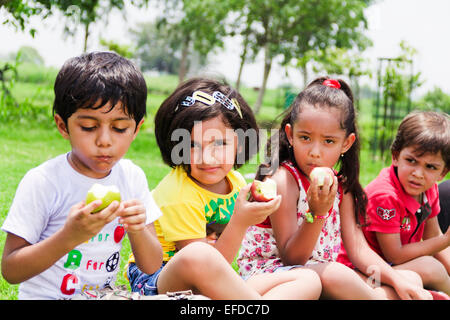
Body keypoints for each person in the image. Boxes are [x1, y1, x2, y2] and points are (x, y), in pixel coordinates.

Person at [125, 77, 322, 300]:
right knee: (199, 255)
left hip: (213, 278)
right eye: (191, 145)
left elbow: (219, 271)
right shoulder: (178, 194)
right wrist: (240, 221)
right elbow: (205, 267)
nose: (207, 157)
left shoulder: (236, 182)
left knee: (307, 280)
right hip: (159, 280)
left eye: (219, 144)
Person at [237, 77, 432, 300]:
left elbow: (358, 249)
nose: (315, 152)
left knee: (410, 278)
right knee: (336, 275)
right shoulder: (284, 180)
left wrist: (398, 280)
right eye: (305, 138)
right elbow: (292, 259)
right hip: (276, 277)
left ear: (346, 143)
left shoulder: (341, 185)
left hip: (319, 272)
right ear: (291, 135)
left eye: (328, 141)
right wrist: (318, 212)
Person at [1, 51, 164, 299]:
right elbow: (11, 270)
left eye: (120, 128)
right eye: (89, 127)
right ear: (63, 126)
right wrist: (69, 237)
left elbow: (151, 266)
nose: (105, 141)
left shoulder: (132, 177)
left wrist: (138, 229)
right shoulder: (44, 181)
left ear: (136, 129)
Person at [339, 111, 450, 295]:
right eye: (411, 161)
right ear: (396, 156)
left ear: (442, 173)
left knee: (432, 269)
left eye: (430, 167)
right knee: (430, 268)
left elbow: (433, 236)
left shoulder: (429, 189)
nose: (418, 173)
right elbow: (395, 254)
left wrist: (443, 242)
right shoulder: (385, 196)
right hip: (363, 272)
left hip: (394, 267)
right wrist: (445, 241)